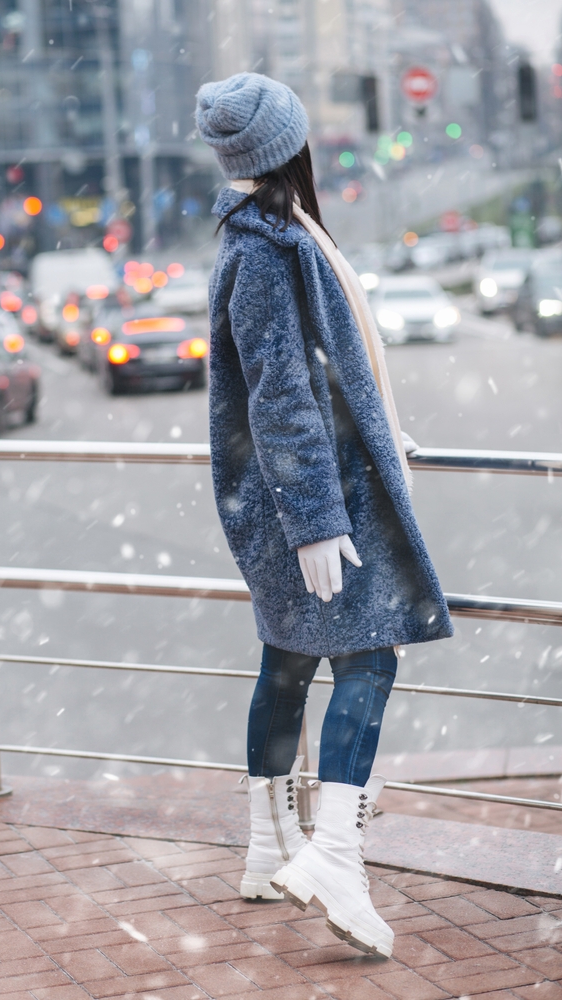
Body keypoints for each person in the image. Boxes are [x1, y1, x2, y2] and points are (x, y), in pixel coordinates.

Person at [195, 73, 453, 960]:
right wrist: (311, 518)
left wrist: (381, 429)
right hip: (306, 503)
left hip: (295, 491)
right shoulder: (266, 245)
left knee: (288, 657)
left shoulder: (263, 232)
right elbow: (278, 393)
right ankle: (335, 855)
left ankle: (269, 844)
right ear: (290, 145)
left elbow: (323, 367)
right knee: (369, 659)